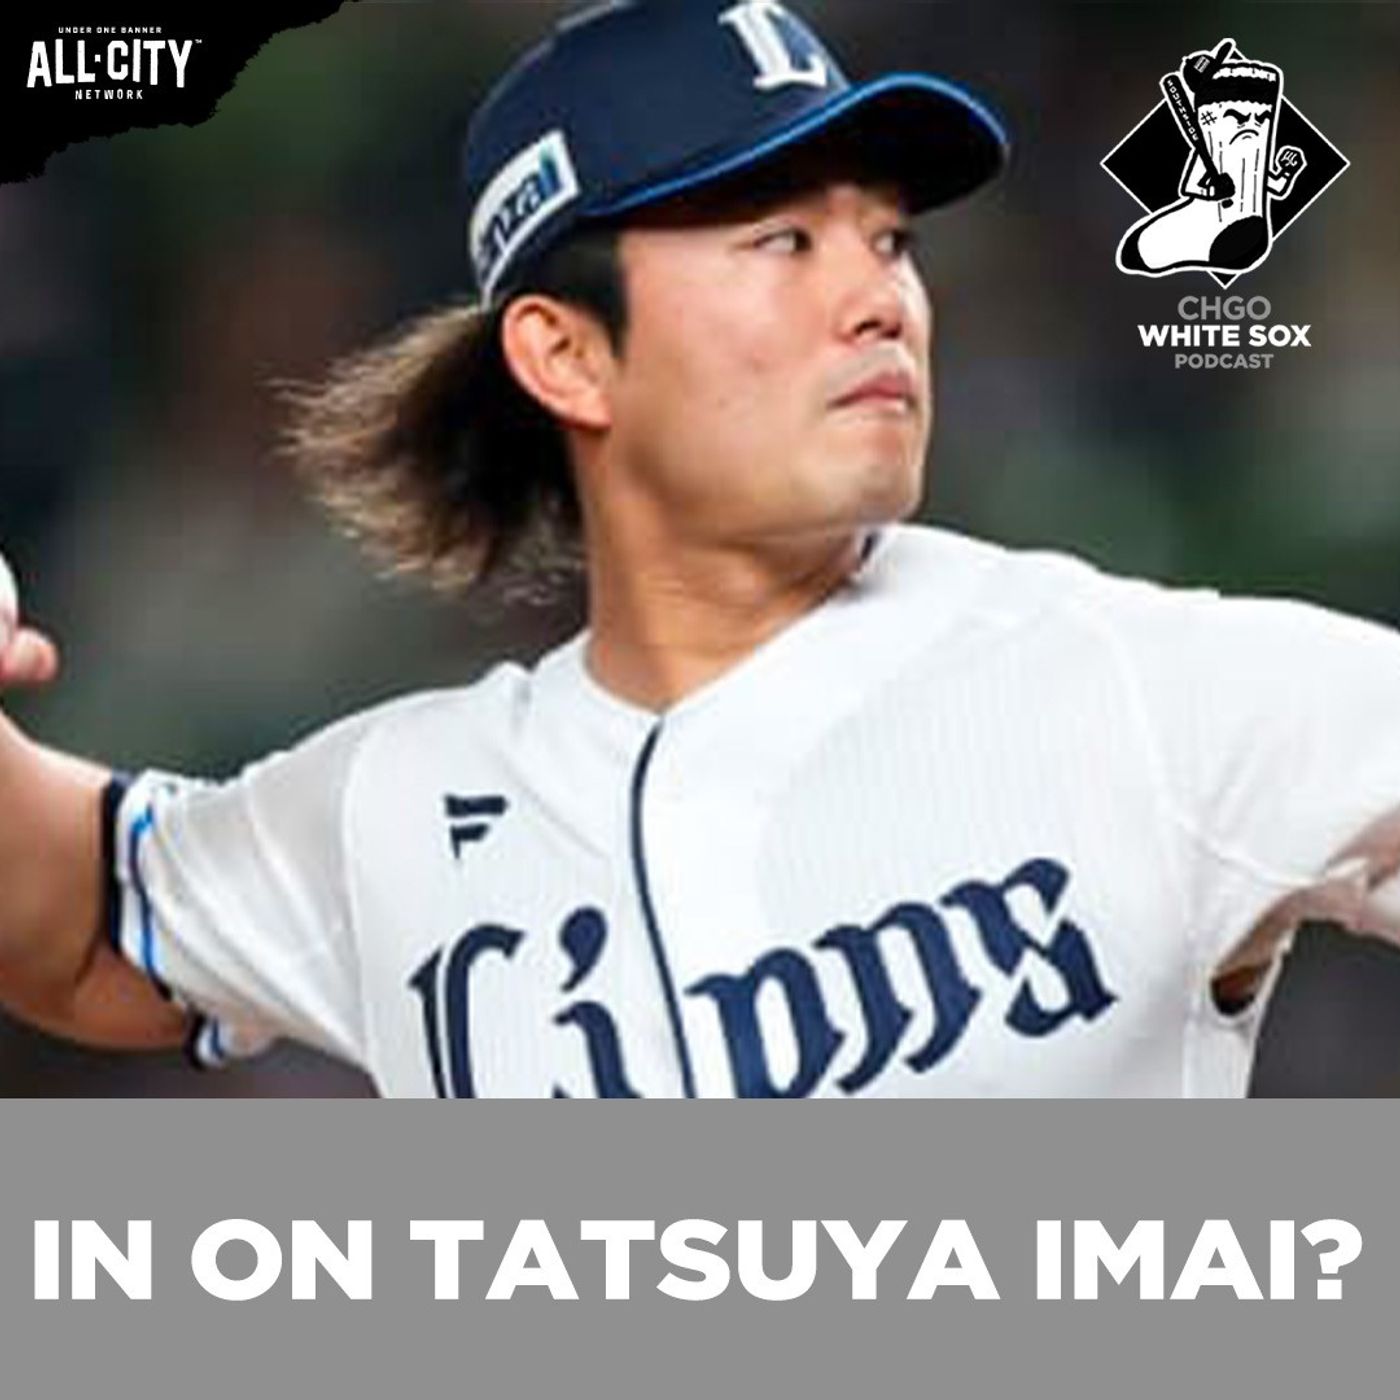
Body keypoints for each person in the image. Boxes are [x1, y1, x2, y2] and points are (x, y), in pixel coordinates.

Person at [2, 0, 1399, 1098]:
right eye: (783, 241)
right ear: (565, 355)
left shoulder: (1140, 689)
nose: (881, 298)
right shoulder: (403, 808)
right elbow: (81, 929)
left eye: (890, 239)